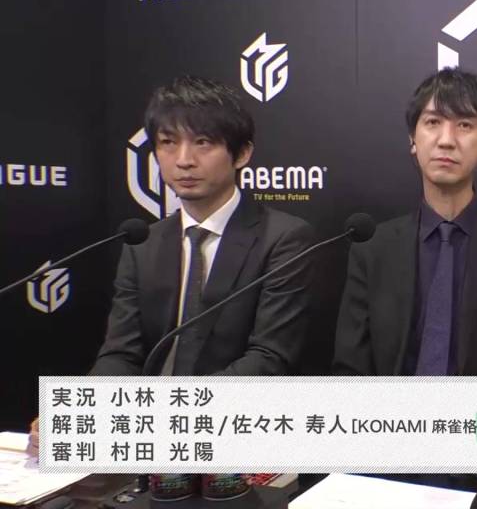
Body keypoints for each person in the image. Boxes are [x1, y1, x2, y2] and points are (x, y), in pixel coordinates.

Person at [333, 67, 477, 508]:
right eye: (433, 122)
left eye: (465, 125)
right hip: (385, 464)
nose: (446, 140)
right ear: (413, 139)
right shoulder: (373, 247)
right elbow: (351, 370)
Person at [91, 75, 315, 375]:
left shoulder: (283, 238)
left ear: (242, 154)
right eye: (168, 143)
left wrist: (181, 403)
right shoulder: (143, 243)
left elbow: (268, 358)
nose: (184, 160)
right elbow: (121, 353)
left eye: (203, 142)